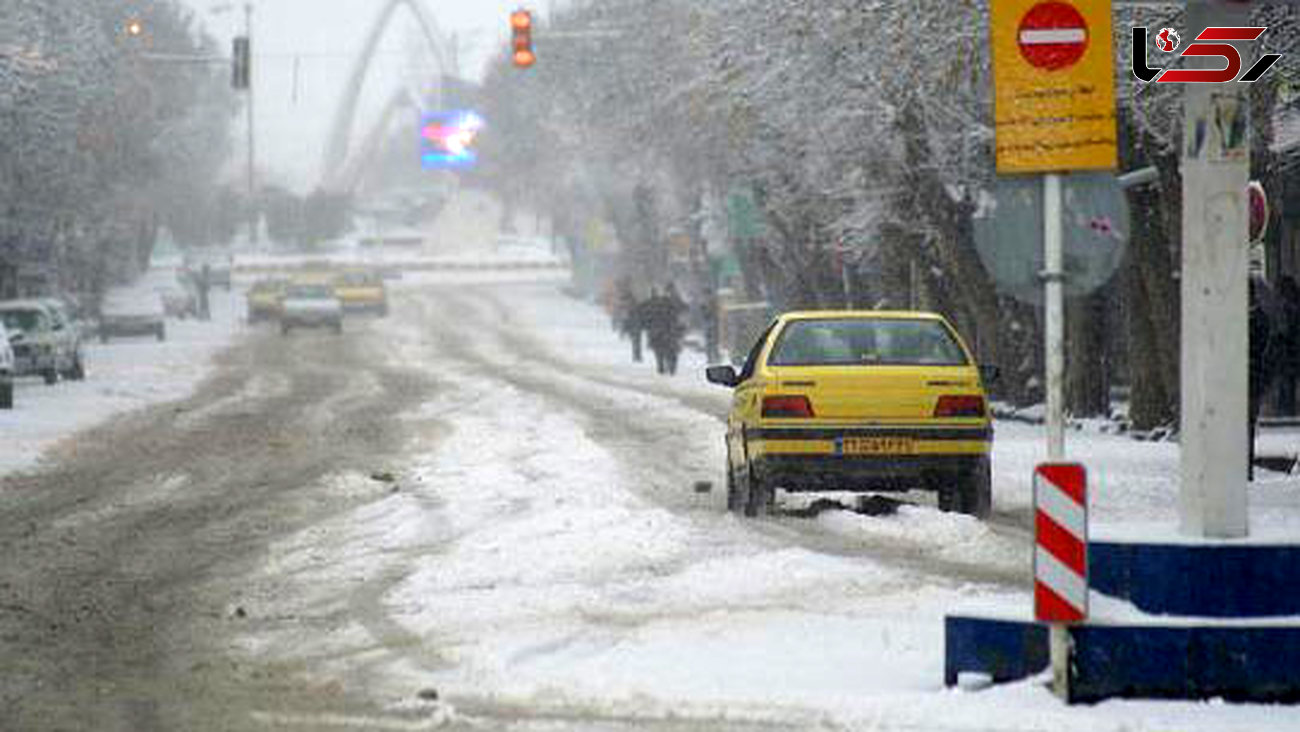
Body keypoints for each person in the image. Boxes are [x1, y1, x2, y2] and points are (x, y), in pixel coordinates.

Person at [645, 283, 687, 375]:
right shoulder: (666, 301)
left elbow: (683, 310)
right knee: (665, 348)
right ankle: (666, 365)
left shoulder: (669, 301)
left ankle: (666, 366)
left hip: (667, 329)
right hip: (666, 329)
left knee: (665, 349)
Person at [616, 278, 645, 363]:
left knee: (636, 340)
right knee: (636, 340)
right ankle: (637, 356)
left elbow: (623, 313)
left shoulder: (628, 298)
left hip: (634, 322)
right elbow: (623, 313)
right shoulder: (627, 298)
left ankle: (637, 355)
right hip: (634, 322)